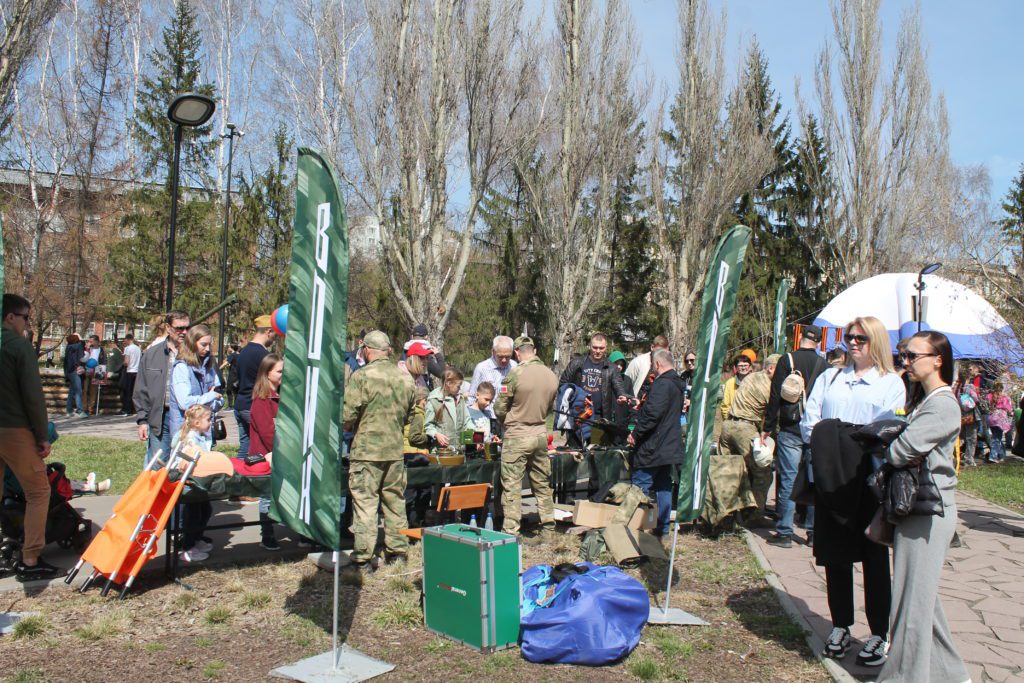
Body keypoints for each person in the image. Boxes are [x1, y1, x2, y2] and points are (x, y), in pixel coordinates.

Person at [801, 316, 906, 666]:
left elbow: (885, 428)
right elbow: (809, 422)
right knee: (836, 557)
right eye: (849, 337)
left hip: (866, 480)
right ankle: (841, 624)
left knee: (874, 557)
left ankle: (879, 633)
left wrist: (837, 434)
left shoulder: (890, 383)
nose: (854, 343)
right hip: (831, 478)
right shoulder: (831, 377)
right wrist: (838, 436)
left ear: (875, 341)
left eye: (860, 337)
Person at [877, 331, 969, 683]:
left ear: (937, 359)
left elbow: (901, 451)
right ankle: (950, 674)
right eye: (903, 355)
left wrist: (893, 440)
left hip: (929, 513)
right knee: (922, 601)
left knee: (910, 604)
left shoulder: (943, 404)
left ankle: (903, 677)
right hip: (920, 510)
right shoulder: (927, 400)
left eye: (912, 356)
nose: (906, 362)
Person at [343, 330, 416, 569]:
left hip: (366, 451)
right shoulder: (405, 378)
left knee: (365, 503)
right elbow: (411, 415)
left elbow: (347, 416)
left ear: (366, 350)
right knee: (395, 501)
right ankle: (397, 551)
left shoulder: (361, 376)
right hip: (394, 451)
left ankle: (364, 557)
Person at [0, 294, 61, 580]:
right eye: (25, 317)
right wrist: (42, 435)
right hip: (13, 429)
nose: (27, 323)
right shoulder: (18, 346)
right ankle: (31, 559)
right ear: (10, 316)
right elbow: (33, 397)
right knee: (38, 492)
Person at [763, 325, 828, 548]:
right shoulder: (824, 366)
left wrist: (768, 426)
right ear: (819, 342)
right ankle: (813, 533)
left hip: (790, 426)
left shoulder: (787, 360)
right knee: (812, 479)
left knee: (788, 480)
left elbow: (775, 396)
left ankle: (784, 532)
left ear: (799, 337)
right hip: (815, 430)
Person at [495, 335, 559, 540]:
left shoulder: (515, 374)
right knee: (542, 484)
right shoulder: (551, 375)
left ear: (517, 352)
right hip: (540, 434)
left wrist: (509, 420)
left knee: (512, 486)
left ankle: (511, 531)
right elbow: (549, 408)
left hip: (516, 436)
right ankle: (548, 527)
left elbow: (499, 407)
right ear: (535, 350)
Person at [169, 325, 223, 562]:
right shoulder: (182, 368)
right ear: (192, 344)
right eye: (203, 345)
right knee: (192, 498)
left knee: (203, 501)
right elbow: (185, 402)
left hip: (204, 434)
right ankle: (185, 542)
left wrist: (215, 400)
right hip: (188, 436)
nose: (207, 349)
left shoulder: (209, 364)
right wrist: (210, 397)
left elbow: (217, 390)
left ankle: (195, 537)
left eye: (209, 344)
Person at [627, 349, 685, 537]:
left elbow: (653, 414)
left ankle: (632, 527)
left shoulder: (662, 385)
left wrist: (635, 433)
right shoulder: (678, 384)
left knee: (640, 486)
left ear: (658, 364)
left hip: (653, 446)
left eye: (653, 365)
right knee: (663, 486)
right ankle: (663, 528)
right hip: (669, 444)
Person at [718, 353, 780, 521]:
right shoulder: (768, 386)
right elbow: (773, 414)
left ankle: (724, 516)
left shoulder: (751, 377)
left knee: (728, 471)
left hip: (728, 425)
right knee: (763, 473)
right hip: (745, 428)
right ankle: (754, 516)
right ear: (771, 368)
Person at [134, 310, 191, 466]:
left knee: (185, 466)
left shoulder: (194, 354)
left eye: (187, 328)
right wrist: (142, 421)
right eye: (179, 328)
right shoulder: (152, 354)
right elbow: (141, 389)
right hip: (160, 418)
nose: (184, 332)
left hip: (187, 419)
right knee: (158, 465)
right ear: (168, 327)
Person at [171, 404, 216, 563]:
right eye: (208, 419)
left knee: (205, 510)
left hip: (198, 480)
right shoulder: (191, 440)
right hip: (189, 482)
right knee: (193, 514)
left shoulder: (199, 436)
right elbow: (191, 460)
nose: (210, 422)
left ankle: (196, 539)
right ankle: (188, 548)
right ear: (197, 423)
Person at [559, 332, 631, 430]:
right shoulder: (576, 363)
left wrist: (622, 396)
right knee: (575, 445)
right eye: (595, 347)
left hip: (600, 418)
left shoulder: (612, 368)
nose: (598, 351)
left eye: (601, 348)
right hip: (577, 414)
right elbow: (563, 384)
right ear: (589, 346)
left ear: (606, 348)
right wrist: (578, 396)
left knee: (597, 445)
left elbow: (619, 386)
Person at [248, 353, 282, 550]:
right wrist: (279, 452)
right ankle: (266, 534)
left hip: (279, 454)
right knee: (267, 496)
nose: (283, 374)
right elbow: (267, 432)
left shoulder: (279, 395)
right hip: (266, 455)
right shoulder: (262, 400)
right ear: (267, 373)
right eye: (279, 371)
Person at [234, 315, 276, 458]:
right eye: (274, 334)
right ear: (268, 331)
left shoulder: (243, 351)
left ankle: (239, 476)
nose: (274, 338)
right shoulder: (263, 355)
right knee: (258, 448)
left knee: (244, 448)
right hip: (254, 405)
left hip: (240, 404)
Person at [425, 368, 474, 449]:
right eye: (458, 386)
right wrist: (436, 434)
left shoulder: (460, 400)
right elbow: (428, 425)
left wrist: (477, 439)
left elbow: (467, 422)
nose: (460, 389)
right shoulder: (434, 401)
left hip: (460, 451)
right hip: (441, 451)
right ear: (449, 383)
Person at [468, 336, 518, 414]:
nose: (504, 360)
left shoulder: (515, 367)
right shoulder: (481, 368)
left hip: (509, 419)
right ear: (493, 352)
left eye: (508, 356)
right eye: (500, 356)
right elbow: (471, 396)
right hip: (487, 418)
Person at [720, 354, 753, 421]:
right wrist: (728, 419)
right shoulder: (730, 382)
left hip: (750, 420)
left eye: (745, 365)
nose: (743, 368)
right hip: (733, 420)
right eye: (740, 366)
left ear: (749, 367)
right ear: (736, 367)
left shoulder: (755, 382)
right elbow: (725, 404)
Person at [984, 382, 1012, 463]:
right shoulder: (1004, 397)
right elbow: (1009, 408)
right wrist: (1010, 412)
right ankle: (993, 457)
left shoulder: (989, 396)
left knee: (996, 437)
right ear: (1002, 389)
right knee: (996, 439)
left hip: (991, 418)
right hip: (1000, 419)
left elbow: (987, 404)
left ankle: (1002, 455)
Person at [82, 335, 106, 415]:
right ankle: (84, 407)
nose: (90, 343)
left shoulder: (101, 350)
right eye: (89, 341)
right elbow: (83, 358)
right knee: (84, 390)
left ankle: (90, 408)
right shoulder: (88, 349)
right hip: (86, 371)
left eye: (91, 341)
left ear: (96, 341)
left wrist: (103, 371)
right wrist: (87, 349)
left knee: (93, 391)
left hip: (96, 371)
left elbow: (104, 361)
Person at [63, 333, 86, 417]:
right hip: (76, 371)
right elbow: (81, 358)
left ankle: (69, 411)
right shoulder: (79, 345)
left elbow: (66, 361)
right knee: (78, 391)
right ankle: (80, 411)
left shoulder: (68, 347)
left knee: (72, 391)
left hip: (69, 371)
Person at [120, 334, 141, 416]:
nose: (124, 342)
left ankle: (126, 410)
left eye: (125, 340)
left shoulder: (127, 348)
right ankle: (134, 409)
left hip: (129, 371)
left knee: (127, 391)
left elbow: (126, 362)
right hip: (137, 371)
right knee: (134, 392)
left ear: (128, 339)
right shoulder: (138, 348)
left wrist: (122, 364)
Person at [220, 344, 240, 409]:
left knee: (229, 390)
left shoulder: (232, 355)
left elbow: (226, 363)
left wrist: (219, 368)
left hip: (232, 375)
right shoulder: (239, 355)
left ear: (232, 348)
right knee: (236, 390)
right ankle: (236, 405)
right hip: (238, 375)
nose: (228, 348)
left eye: (229, 347)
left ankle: (230, 406)